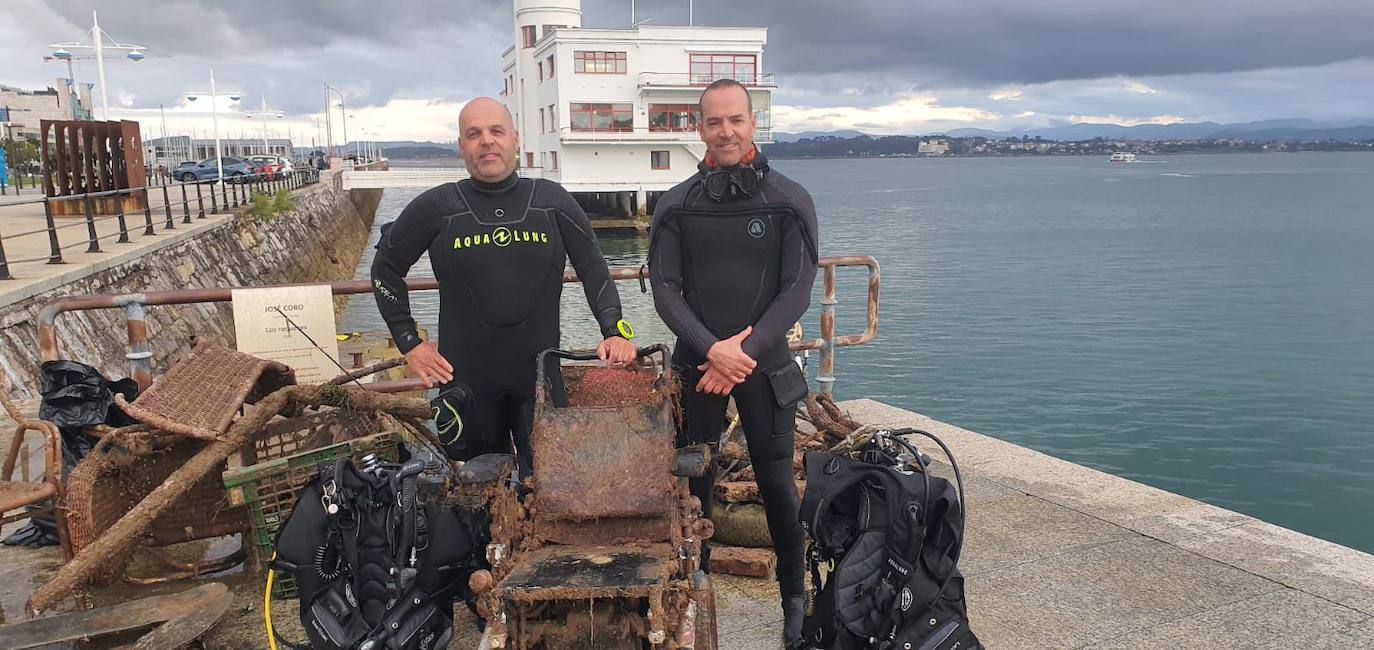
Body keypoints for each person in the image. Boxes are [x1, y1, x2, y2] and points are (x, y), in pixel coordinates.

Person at [372, 97, 637, 472]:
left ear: (515, 139)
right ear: (461, 146)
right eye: (473, 134)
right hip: (467, 386)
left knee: (549, 488)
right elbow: (385, 270)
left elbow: (594, 268)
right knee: (476, 498)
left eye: (496, 131)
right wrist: (409, 342)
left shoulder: (551, 201)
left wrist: (614, 331)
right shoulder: (439, 206)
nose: (486, 141)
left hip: (540, 380)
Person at [649, 79, 819, 648]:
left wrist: (738, 354)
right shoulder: (677, 204)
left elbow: (797, 290)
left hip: (760, 365)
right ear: (699, 128)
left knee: (777, 487)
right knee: (691, 489)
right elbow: (666, 292)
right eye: (714, 122)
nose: (726, 131)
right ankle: (689, 594)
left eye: (736, 120)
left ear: (754, 123)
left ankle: (794, 608)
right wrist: (711, 349)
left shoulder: (789, 199)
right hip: (698, 367)